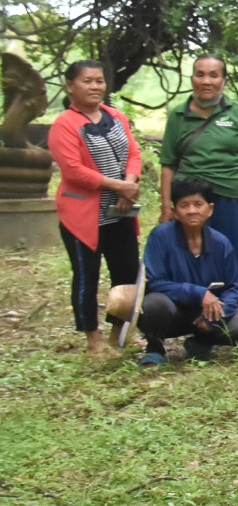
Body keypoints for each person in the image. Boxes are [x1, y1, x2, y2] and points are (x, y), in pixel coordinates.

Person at [51, 61, 143, 357]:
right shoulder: (64, 124)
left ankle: (120, 331)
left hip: (120, 212)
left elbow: (133, 153)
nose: (94, 87)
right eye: (87, 81)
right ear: (70, 86)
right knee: (86, 275)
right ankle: (93, 338)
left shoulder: (116, 116)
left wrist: (129, 184)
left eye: (99, 81)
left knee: (127, 272)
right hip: (83, 216)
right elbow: (74, 171)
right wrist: (118, 187)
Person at [156, 54, 238, 289]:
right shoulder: (177, 115)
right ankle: (194, 299)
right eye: (200, 74)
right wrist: (167, 207)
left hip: (232, 194)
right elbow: (168, 164)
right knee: (190, 249)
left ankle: (230, 302)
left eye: (214, 76)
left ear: (224, 81)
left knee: (232, 249)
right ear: (192, 78)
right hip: (190, 198)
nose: (206, 81)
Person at [132, 176, 238, 365]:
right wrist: (199, 293)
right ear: (174, 210)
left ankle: (200, 342)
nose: (191, 211)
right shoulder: (160, 236)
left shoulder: (221, 243)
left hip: (205, 314)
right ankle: (155, 348)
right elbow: (154, 281)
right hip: (170, 311)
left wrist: (213, 319)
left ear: (210, 209)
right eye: (184, 205)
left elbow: (234, 286)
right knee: (153, 304)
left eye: (198, 204)